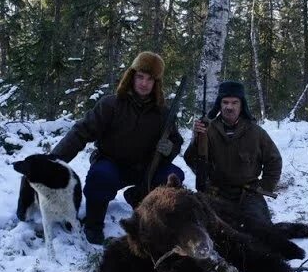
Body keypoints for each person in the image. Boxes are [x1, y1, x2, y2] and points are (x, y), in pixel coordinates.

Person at [19, 51, 184, 245]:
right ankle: (93, 224)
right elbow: (81, 132)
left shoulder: (163, 113)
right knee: (101, 176)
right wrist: (54, 159)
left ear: (156, 83)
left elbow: (175, 142)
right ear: (131, 76)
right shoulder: (111, 105)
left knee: (174, 175)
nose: (144, 83)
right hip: (111, 164)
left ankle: (140, 197)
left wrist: (169, 148)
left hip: (145, 170)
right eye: (140, 76)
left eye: (150, 79)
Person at [183, 80, 281, 227]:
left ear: (242, 105)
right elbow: (191, 159)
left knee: (260, 230)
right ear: (219, 104)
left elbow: (274, 160)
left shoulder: (256, 132)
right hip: (217, 193)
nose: (229, 107)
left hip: (248, 193)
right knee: (209, 229)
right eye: (225, 102)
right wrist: (196, 139)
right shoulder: (207, 130)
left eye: (234, 102)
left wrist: (264, 187)